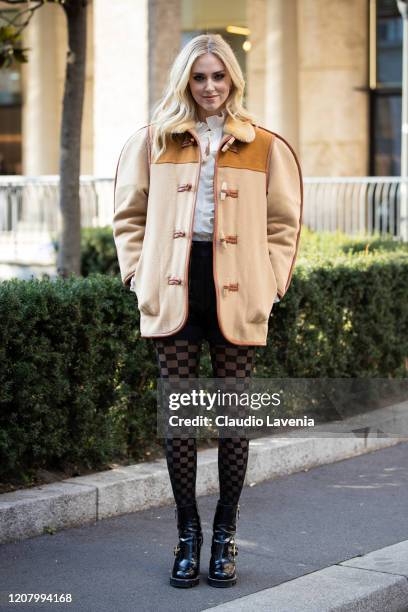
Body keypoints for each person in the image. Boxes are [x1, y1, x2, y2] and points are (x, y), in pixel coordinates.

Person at [112, 33, 303, 589]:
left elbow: (283, 226)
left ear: (233, 81)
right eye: (200, 77)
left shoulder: (265, 145)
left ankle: (224, 536)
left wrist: (268, 286)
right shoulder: (151, 141)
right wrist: (135, 276)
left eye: (220, 77)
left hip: (238, 289)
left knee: (233, 419)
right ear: (185, 82)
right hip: (175, 287)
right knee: (180, 419)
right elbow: (129, 216)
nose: (211, 87)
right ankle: (186, 536)